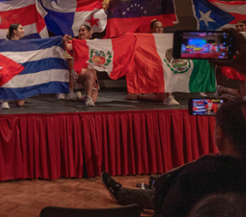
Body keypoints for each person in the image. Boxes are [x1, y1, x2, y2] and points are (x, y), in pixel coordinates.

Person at [100, 99, 246, 217]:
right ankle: (122, 193)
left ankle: (122, 194)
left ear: (219, 133)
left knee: (158, 193)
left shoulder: (197, 174)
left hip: (171, 197)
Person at [124, 20, 179, 106]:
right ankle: (170, 97)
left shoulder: (166, 39)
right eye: (157, 27)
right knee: (166, 69)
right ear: (152, 29)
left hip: (163, 64)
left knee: (161, 98)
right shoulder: (147, 38)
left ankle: (138, 96)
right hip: (152, 66)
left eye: (161, 27)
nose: (160, 29)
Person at [63, 24, 98, 106]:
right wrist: (65, 41)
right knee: (89, 74)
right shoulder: (75, 42)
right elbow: (68, 47)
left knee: (94, 99)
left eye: (83, 30)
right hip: (78, 71)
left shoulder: (94, 43)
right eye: (79, 30)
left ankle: (79, 97)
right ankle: (88, 98)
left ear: (89, 32)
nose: (81, 32)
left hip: (91, 71)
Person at [0, 23, 26, 109]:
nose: (23, 30)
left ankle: (13, 94)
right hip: (8, 73)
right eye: (21, 28)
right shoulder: (5, 44)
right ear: (14, 31)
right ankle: (5, 99)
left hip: (20, 74)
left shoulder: (24, 44)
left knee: (20, 103)